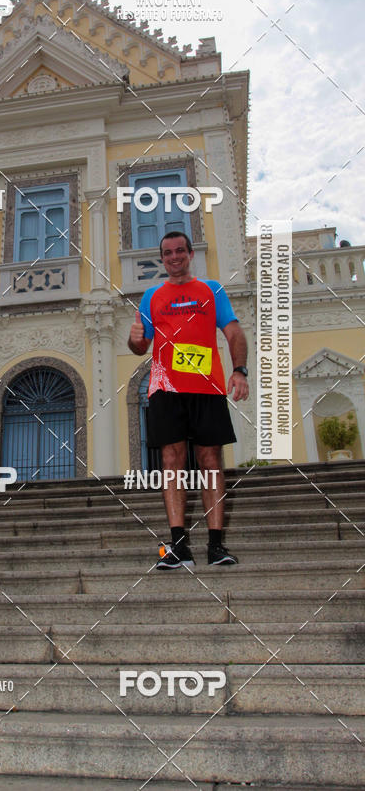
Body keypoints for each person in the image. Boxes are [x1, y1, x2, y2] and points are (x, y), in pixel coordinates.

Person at [128, 231, 249, 569]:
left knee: (211, 462)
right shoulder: (151, 296)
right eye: (168, 253)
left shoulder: (212, 290)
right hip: (166, 390)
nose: (174, 257)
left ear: (190, 253)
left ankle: (215, 546)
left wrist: (239, 371)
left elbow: (234, 332)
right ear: (162, 259)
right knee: (171, 463)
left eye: (180, 250)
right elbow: (141, 346)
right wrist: (134, 338)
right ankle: (179, 546)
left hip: (207, 389)